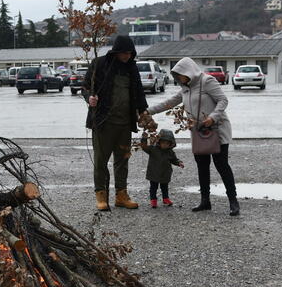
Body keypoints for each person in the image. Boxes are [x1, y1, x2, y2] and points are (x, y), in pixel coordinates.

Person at [145, 57, 240, 216]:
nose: (178, 78)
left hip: (217, 130)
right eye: (176, 76)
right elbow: (169, 103)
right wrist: (148, 111)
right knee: (202, 167)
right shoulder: (185, 88)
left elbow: (223, 100)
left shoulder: (207, 81)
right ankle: (205, 201)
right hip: (198, 132)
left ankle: (233, 201)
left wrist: (212, 117)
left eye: (180, 75)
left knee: (221, 165)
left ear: (188, 71)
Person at [82, 35, 148, 211]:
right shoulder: (99, 64)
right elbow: (85, 86)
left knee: (122, 160)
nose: (127, 56)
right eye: (124, 53)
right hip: (103, 122)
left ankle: (121, 195)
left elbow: (139, 92)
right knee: (101, 161)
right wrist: (89, 98)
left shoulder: (131, 68)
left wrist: (143, 112)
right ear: (116, 51)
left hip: (125, 123)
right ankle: (101, 196)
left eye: (130, 53)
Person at [139, 128, 183, 208]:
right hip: (154, 173)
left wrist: (179, 162)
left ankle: (165, 198)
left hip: (165, 173)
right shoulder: (153, 149)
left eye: (167, 143)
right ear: (159, 142)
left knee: (164, 187)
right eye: (163, 142)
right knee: (153, 187)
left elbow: (174, 160)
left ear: (170, 144)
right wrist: (144, 139)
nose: (165, 145)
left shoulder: (170, 152)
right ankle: (153, 200)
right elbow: (144, 147)